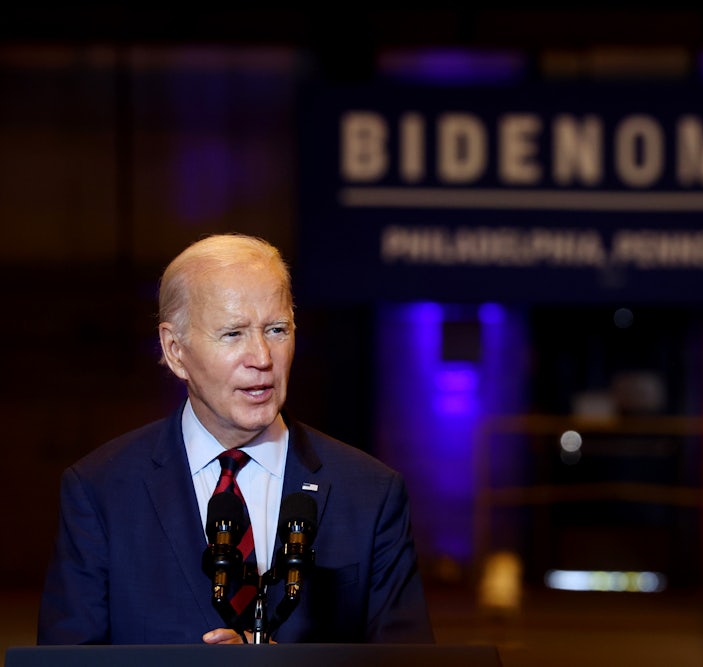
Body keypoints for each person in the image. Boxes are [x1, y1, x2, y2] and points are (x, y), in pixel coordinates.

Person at [37, 233, 435, 645]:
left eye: (277, 329)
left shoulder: (371, 492)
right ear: (175, 350)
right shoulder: (100, 490)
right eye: (233, 334)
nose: (262, 358)